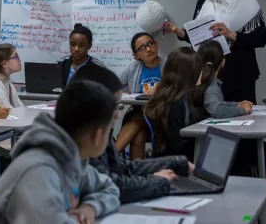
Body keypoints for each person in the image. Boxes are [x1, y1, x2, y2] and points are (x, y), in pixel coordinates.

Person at [0, 80, 120, 224]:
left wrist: (90, 207)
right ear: (97, 135)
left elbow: (109, 189)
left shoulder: (72, 158)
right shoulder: (38, 172)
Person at [71, 64, 195, 204]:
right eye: (114, 106)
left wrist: (178, 163)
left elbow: (122, 168)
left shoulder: (97, 128)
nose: (118, 115)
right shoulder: (84, 138)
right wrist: (158, 181)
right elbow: (115, 185)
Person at [164, 0, 266, 104]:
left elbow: (261, 39)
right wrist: (177, 31)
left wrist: (231, 34)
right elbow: (199, 34)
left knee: (241, 120)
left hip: (239, 74)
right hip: (208, 74)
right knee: (209, 121)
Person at [144, 47, 203, 161]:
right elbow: (176, 146)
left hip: (164, 161)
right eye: (199, 69)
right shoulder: (178, 103)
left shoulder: (167, 96)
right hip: (177, 166)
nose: (202, 72)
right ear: (189, 73)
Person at [115, 32, 166, 160]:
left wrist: (160, 88)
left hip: (162, 116)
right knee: (138, 137)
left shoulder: (168, 64)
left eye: (150, 44)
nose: (148, 49)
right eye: (142, 48)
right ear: (136, 55)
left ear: (156, 45)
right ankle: (137, 176)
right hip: (140, 114)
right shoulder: (133, 68)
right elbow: (114, 83)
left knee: (139, 116)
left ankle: (110, 156)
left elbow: (178, 85)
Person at [194, 40, 253, 118]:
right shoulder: (211, 86)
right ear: (223, 62)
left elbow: (216, 103)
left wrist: (236, 105)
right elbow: (216, 110)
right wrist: (242, 110)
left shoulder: (200, 80)